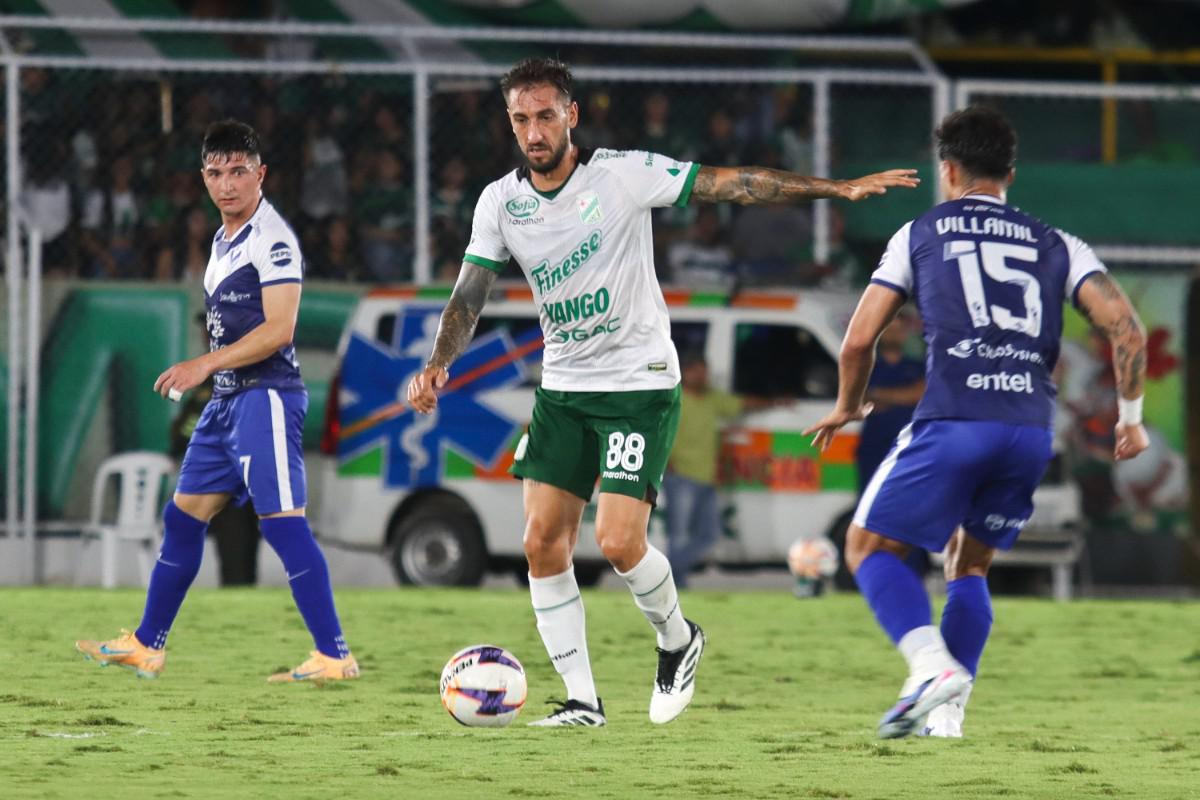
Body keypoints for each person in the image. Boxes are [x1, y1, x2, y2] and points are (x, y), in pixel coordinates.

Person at [407, 57, 919, 727]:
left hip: (639, 385)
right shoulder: (500, 202)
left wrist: (836, 190)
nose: (533, 131)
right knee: (541, 544)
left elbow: (734, 185)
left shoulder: (621, 175)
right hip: (563, 390)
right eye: (521, 119)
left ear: (572, 115)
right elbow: (469, 293)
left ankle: (678, 640)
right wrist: (439, 360)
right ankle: (583, 702)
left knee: (619, 543)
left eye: (545, 115)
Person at [804, 106, 1149, 739]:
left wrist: (852, 403)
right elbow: (1126, 328)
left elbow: (857, 342)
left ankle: (930, 668)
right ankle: (948, 716)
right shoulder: (1059, 243)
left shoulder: (919, 233)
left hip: (956, 417)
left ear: (948, 169)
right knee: (968, 565)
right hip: (1027, 432)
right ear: (1010, 173)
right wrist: (1131, 418)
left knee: (866, 548)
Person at [76, 120, 358, 683]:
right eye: (215, 173)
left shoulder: (272, 239)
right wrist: (213, 377)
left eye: (238, 171)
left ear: (261, 174)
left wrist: (203, 363)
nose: (226, 184)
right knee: (182, 518)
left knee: (281, 524)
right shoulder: (222, 240)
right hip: (226, 403)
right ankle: (147, 645)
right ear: (203, 178)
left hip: (267, 398)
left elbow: (280, 329)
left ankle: (334, 654)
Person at [663, 352, 774, 587]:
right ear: (686, 372)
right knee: (679, 535)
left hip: (706, 477)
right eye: (698, 371)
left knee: (709, 534)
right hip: (680, 476)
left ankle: (669, 574)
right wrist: (667, 462)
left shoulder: (712, 398)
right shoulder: (675, 398)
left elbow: (742, 405)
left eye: (705, 371)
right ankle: (674, 582)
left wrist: (776, 401)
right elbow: (661, 432)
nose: (703, 376)